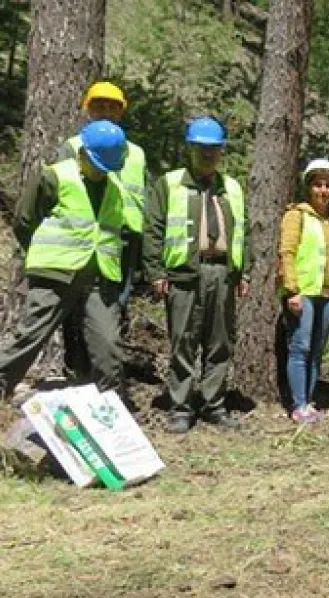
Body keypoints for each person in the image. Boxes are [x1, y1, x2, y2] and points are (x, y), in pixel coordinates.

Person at [0, 121, 132, 400]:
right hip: (55, 273)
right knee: (30, 335)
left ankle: (109, 406)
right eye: (97, 164)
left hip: (98, 278)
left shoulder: (117, 189)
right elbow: (25, 221)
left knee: (108, 344)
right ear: (82, 153)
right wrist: (43, 256)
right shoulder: (54, 177)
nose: (101, 171)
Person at [144, 117, 251, 433]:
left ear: (221, 151)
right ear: (190, 148)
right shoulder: (169, 183)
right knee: (183, 342)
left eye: (214, 149)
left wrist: (242, 272)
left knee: (220, 343)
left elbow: (243, 232)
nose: (208, 154)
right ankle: (180, 407)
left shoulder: (231, 187)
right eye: (202, 148)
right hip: (183, 274)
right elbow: (152, 230)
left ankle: (214, 405)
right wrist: (155, 271)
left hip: (222, 273)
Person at [57, 81, 147, 382]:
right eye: (99, 105)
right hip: (84, 240)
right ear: (88, 109)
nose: (106, 111)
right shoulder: (72, 147)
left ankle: (106, 378)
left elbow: (140, 196)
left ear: (121, 112)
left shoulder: (135, 153)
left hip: (124, 240)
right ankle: (79, 372)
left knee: (115, 308)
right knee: (76, 308)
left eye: (112, 106)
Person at [278, 159, 329, 424]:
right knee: (300, 347)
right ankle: (298, 404)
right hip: (304, 292)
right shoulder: (296, 215)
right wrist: (292, 290)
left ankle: (309, 401)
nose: (323, 190)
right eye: (318, 185)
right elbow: (287, 253)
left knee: (316, 350)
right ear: (309, 187)